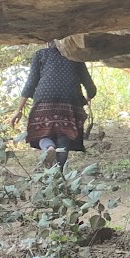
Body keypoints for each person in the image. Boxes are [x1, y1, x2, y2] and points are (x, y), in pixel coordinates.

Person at [13, 40, 97, 169]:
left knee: (40, 132)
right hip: (69, 101)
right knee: (64, 136)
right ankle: (58, 174)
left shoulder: (40, 55)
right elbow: (91, 88)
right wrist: (86, 98)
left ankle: (49, 147)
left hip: (44, 99)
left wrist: (18, 110)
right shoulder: (76, 57)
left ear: (47, 43)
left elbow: (30, 85)